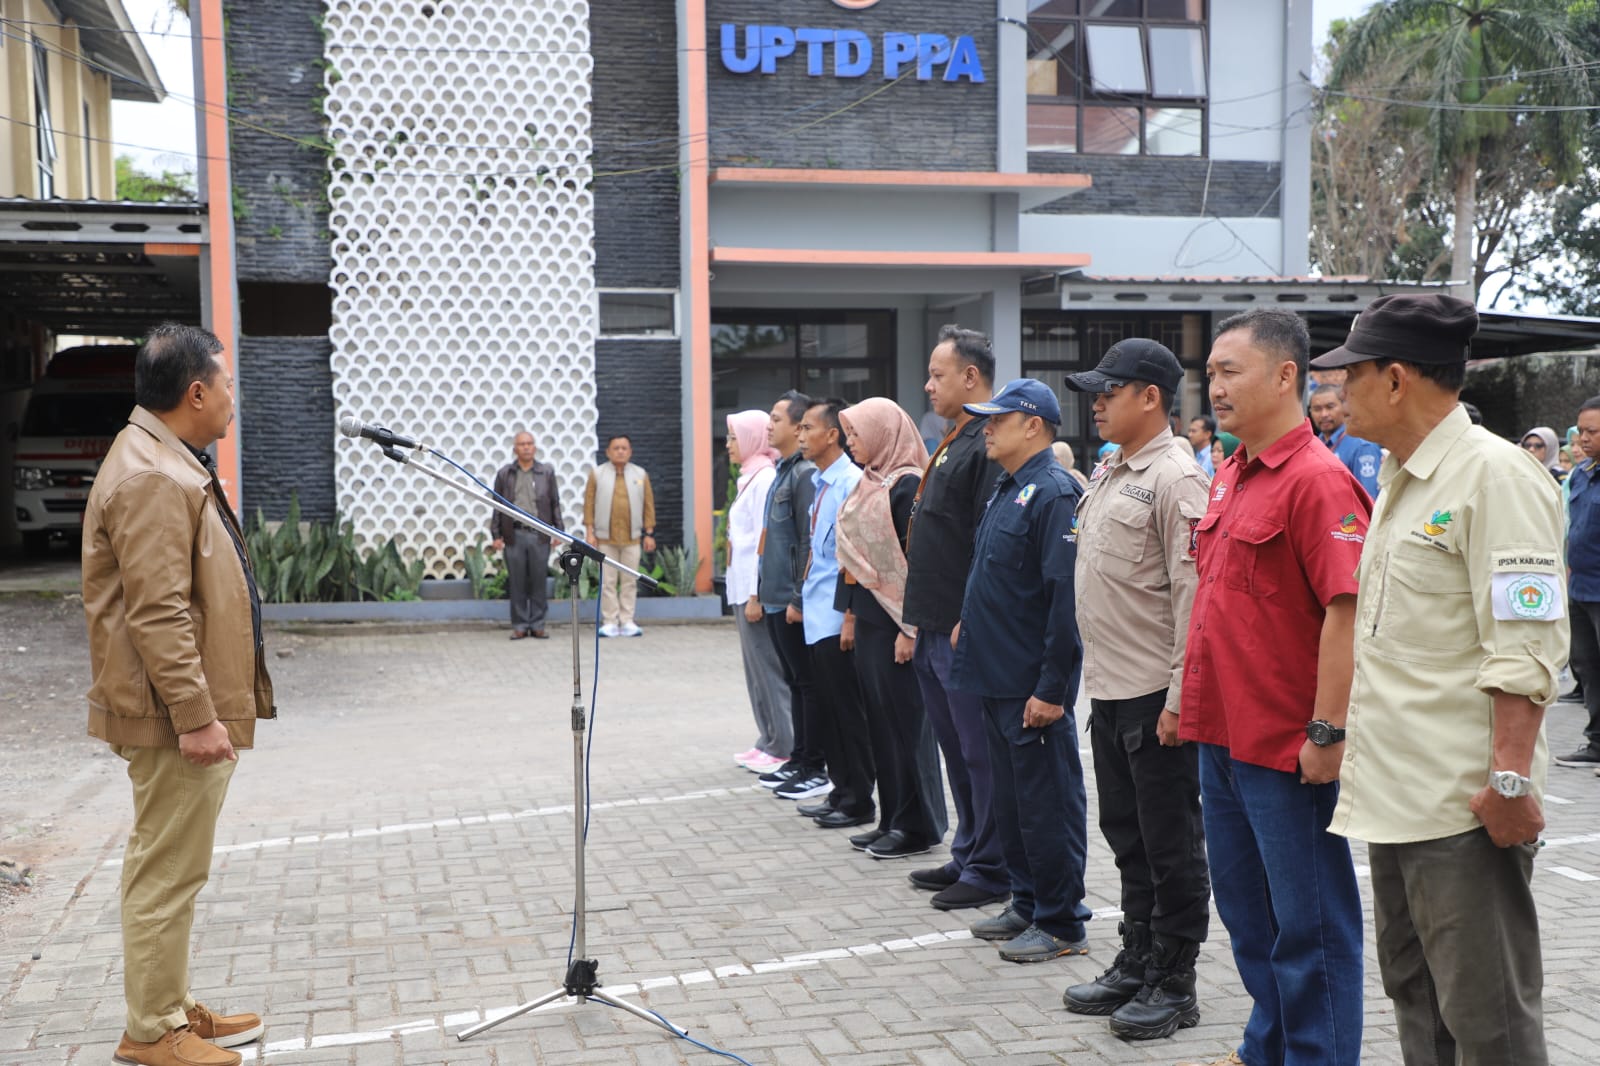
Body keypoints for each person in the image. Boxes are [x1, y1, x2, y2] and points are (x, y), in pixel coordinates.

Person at [1317, 293, 1570, 1066]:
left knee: (1487, 1020)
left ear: (1396, 379)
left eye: (1349, 376)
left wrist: (1510, 784)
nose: (1335, 394)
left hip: (1462, 807)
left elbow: (1524, 651)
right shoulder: (1403, 477)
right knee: (1418, 1001)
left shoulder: (1496, 476)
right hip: (1394, 799)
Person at [1176, 308, 1368, 1066]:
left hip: (1288, 747)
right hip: (1222, 736)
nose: (1214, 387)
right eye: (1212, 372)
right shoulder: (1232, 471)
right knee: (1252, 921)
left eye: (1231, 371)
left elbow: (1346, 614)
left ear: (1287, 375)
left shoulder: (1319, 481)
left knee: (1311, 927)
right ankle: (1271, 1046)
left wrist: (1326, 732)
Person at [82, 324, 274, 1066]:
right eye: (227, 385)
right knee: (166, 868)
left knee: (173, 864)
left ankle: (168, 1003)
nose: (233, 399)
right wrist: (197, 717)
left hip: (173, 711)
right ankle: (154, 1029)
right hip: (171, 718)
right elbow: (157, 611)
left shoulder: (162, 458)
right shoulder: (154, 476)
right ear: (196, 393)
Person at [1061, 340, 1212, 1042]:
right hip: (1113, 688)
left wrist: (1183, 698)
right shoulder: (1114, 472)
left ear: (1149, 397)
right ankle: (1139, 956)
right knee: (1127, 837)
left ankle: (1175, 981)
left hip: (1157, 695)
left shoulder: (1177, 478)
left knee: (1171, 842)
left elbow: (1192, 598)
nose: (1096, 401)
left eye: (1108, 390)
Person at [950, 378, 1093, 964]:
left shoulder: (1055, 493)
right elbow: (990, 571)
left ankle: (1061, 921)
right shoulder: (1009, 488)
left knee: (1046, 807)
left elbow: (1065, 599)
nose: (987, 427)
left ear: (1032, 425)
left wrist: (1052, 688)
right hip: (994, 674)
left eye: (997, 419)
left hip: (1030, 685)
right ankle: (1027, 900)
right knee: (1011, 805)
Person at [901, 325, 1012, 911]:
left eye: (938, 375)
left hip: (960, 626)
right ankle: (969, 848)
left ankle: (992, 866)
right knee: (954, 747)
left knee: (977, 751)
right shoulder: (955, 439)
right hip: (931, 622)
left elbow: (985, 543)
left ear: (971, 378)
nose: (928, 385)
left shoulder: (985, 445)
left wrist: (969, 616)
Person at [836, 398, 946, 859]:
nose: (850, 442)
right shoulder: (869, 482)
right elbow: (857, 560)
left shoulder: (906, 487)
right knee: (881, 726)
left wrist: (910, 628)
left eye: (857, 433)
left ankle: (918, 825)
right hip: (871, 622)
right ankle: (892, 817)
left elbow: (916, 565)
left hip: (898, 626)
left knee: (907, 729)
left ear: (883, 433)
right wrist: (852, 615)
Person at [790, 398, 876, 829]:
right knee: (828, 709)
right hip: (818, 611)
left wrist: (850, 617)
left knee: (848, 712)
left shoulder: (849, 482)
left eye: (807, 428)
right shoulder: (821, 482)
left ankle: (859, 797)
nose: (800, 435)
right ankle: (840, 791)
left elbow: (855, 557)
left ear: (832, 435)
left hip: (837, 615)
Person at [755, 391, 832, 801]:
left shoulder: (802, 475)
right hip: (774, 596)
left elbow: (807, 542)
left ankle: (813, 763)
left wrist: (799, 599)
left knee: (807, 683)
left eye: (778, 419)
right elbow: (768, 540)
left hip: (791, 599)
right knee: (794, 680)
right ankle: (800, 757)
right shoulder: (782, 471)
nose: (771, 425)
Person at [723, 410, 790, 774]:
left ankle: (784, 743)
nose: (729, 445)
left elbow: (764, 541)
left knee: (769, 669)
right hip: (740, 586)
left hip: (754, 591)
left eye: (734, 438)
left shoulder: (764, 478)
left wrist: (755, 594)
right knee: (754, 672)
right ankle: (767, 738)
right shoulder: (748, 476)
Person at [1558, 396, 1600, 769]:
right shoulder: (1581, 474)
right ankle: (1596, 741)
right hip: (1580, 587)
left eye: (1592, 431)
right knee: (1587, 665)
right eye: (1581, 431)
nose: (1583, 438)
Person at [491, 431, 564, 640]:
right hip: (514, 534)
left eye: (530, 443)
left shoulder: (546, 472)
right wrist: (496, 534)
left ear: (535, 447)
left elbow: (554, 503)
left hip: (539, 535)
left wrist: (558, 531)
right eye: (522, 444)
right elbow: (496, 505)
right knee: (517, 582)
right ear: (515, 449)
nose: (526, 447)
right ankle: (520, 625)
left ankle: (538, 624)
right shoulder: (505, 473)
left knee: (539, 581)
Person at [582, 435, 656, 637]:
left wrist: (649, 533)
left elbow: (648, 505)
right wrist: (590, 532)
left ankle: (627, 620)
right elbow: (588, 505)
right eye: (616, 448)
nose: (621, 451)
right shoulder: (597, 474)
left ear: (630, 451)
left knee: (630, 580)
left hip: (632, 538)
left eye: (624, 448)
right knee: (608, 581)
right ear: (608, 452)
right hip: (606, 539)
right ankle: (610, 621)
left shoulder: (640, 474)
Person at [1310, 382, 1382, 499]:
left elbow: (1369, 501)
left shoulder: (1362, 445)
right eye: (1317, 409)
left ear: (1343, 406)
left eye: (1330, 407)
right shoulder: (1313, 445)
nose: (1324, 414)